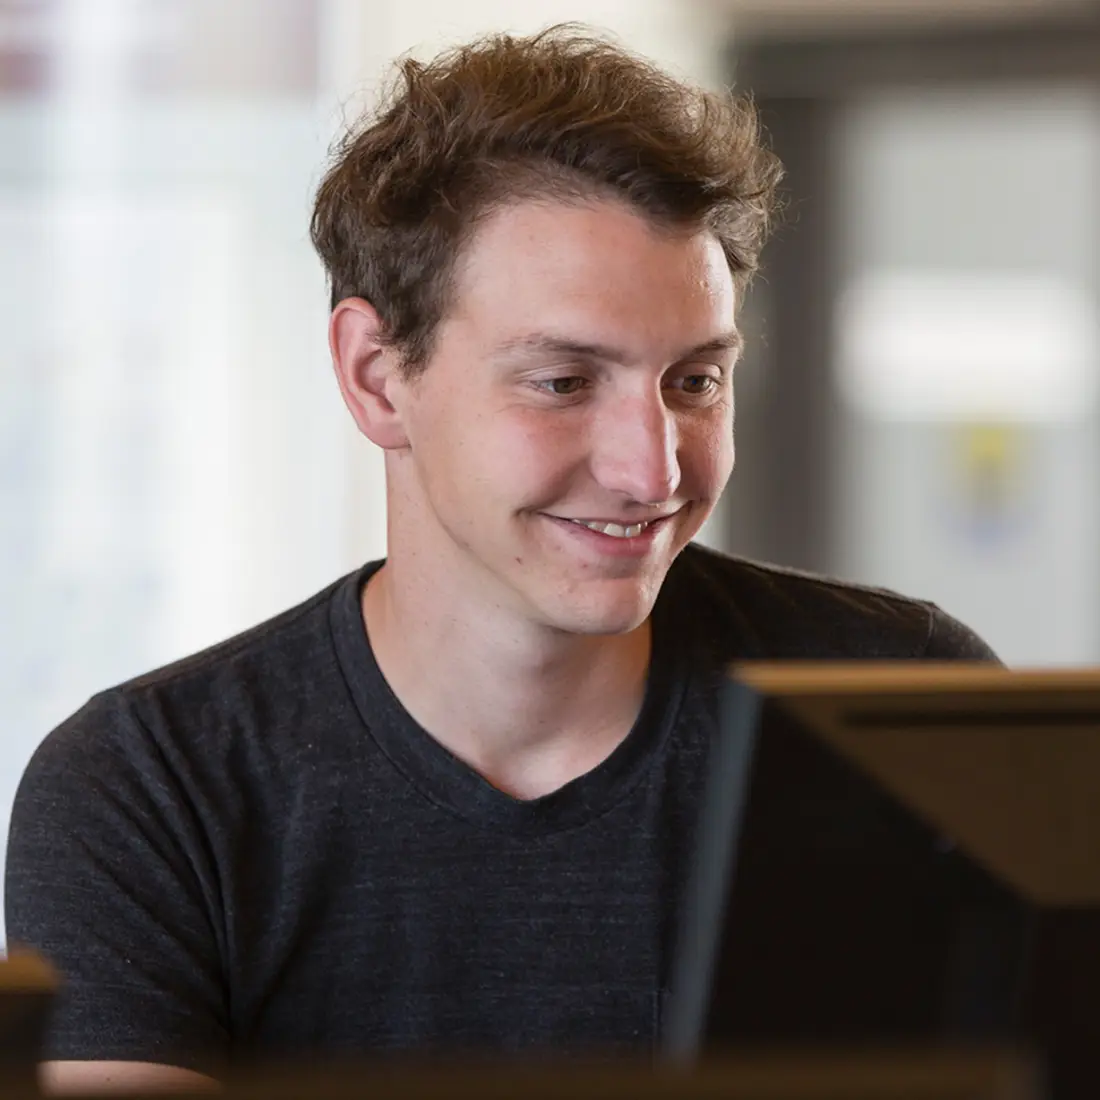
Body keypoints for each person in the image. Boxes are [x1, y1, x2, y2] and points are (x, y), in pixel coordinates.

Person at [5, 24, 997, 1095]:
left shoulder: (896, 702)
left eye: (694, 381)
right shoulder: (156, 782)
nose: (648, 468)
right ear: (378, 377)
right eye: (563, 381)